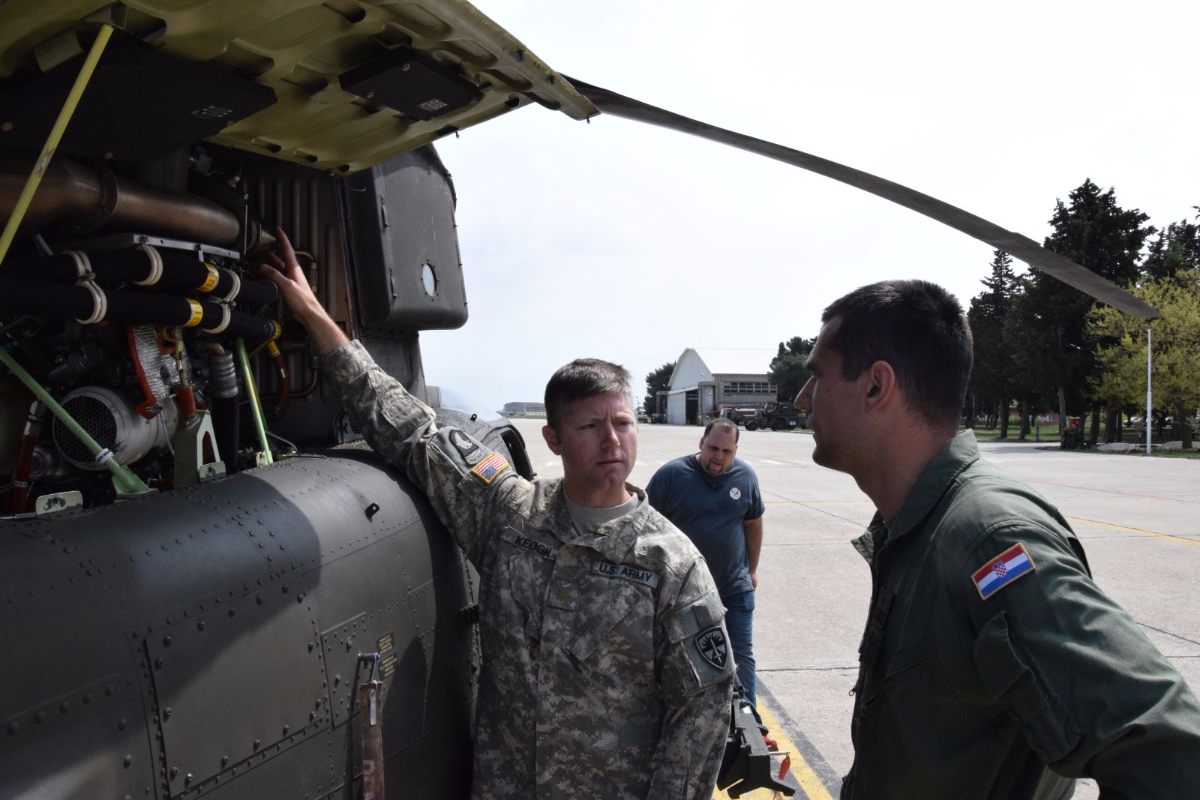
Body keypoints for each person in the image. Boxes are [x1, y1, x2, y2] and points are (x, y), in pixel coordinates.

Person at [260, 230, 733, 800]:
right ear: (553, 439)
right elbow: (413, 431)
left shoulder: (671, 566)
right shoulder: (512, 517)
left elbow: (702, 714)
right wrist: (314, 316)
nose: (612, 440)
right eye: (591, 426)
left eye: (623, 424)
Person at [792, 279, 1200, 799]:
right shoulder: (920, 525)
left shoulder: (988, 540)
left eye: (817, 377)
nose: (803, 400)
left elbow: (1171, 755)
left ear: (876, 386)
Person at [647, 419, 765, 706]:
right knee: (685, 660)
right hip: (683, 593)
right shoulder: (672, 476)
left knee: (741, 655)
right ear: (701, 443)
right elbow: (646, 526)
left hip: (733, 586)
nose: (718, 457)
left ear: (735, 450)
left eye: (727, 451)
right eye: (713, 448)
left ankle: (749, 718)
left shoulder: (746, 477)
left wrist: (752, 570)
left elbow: (753, 522)